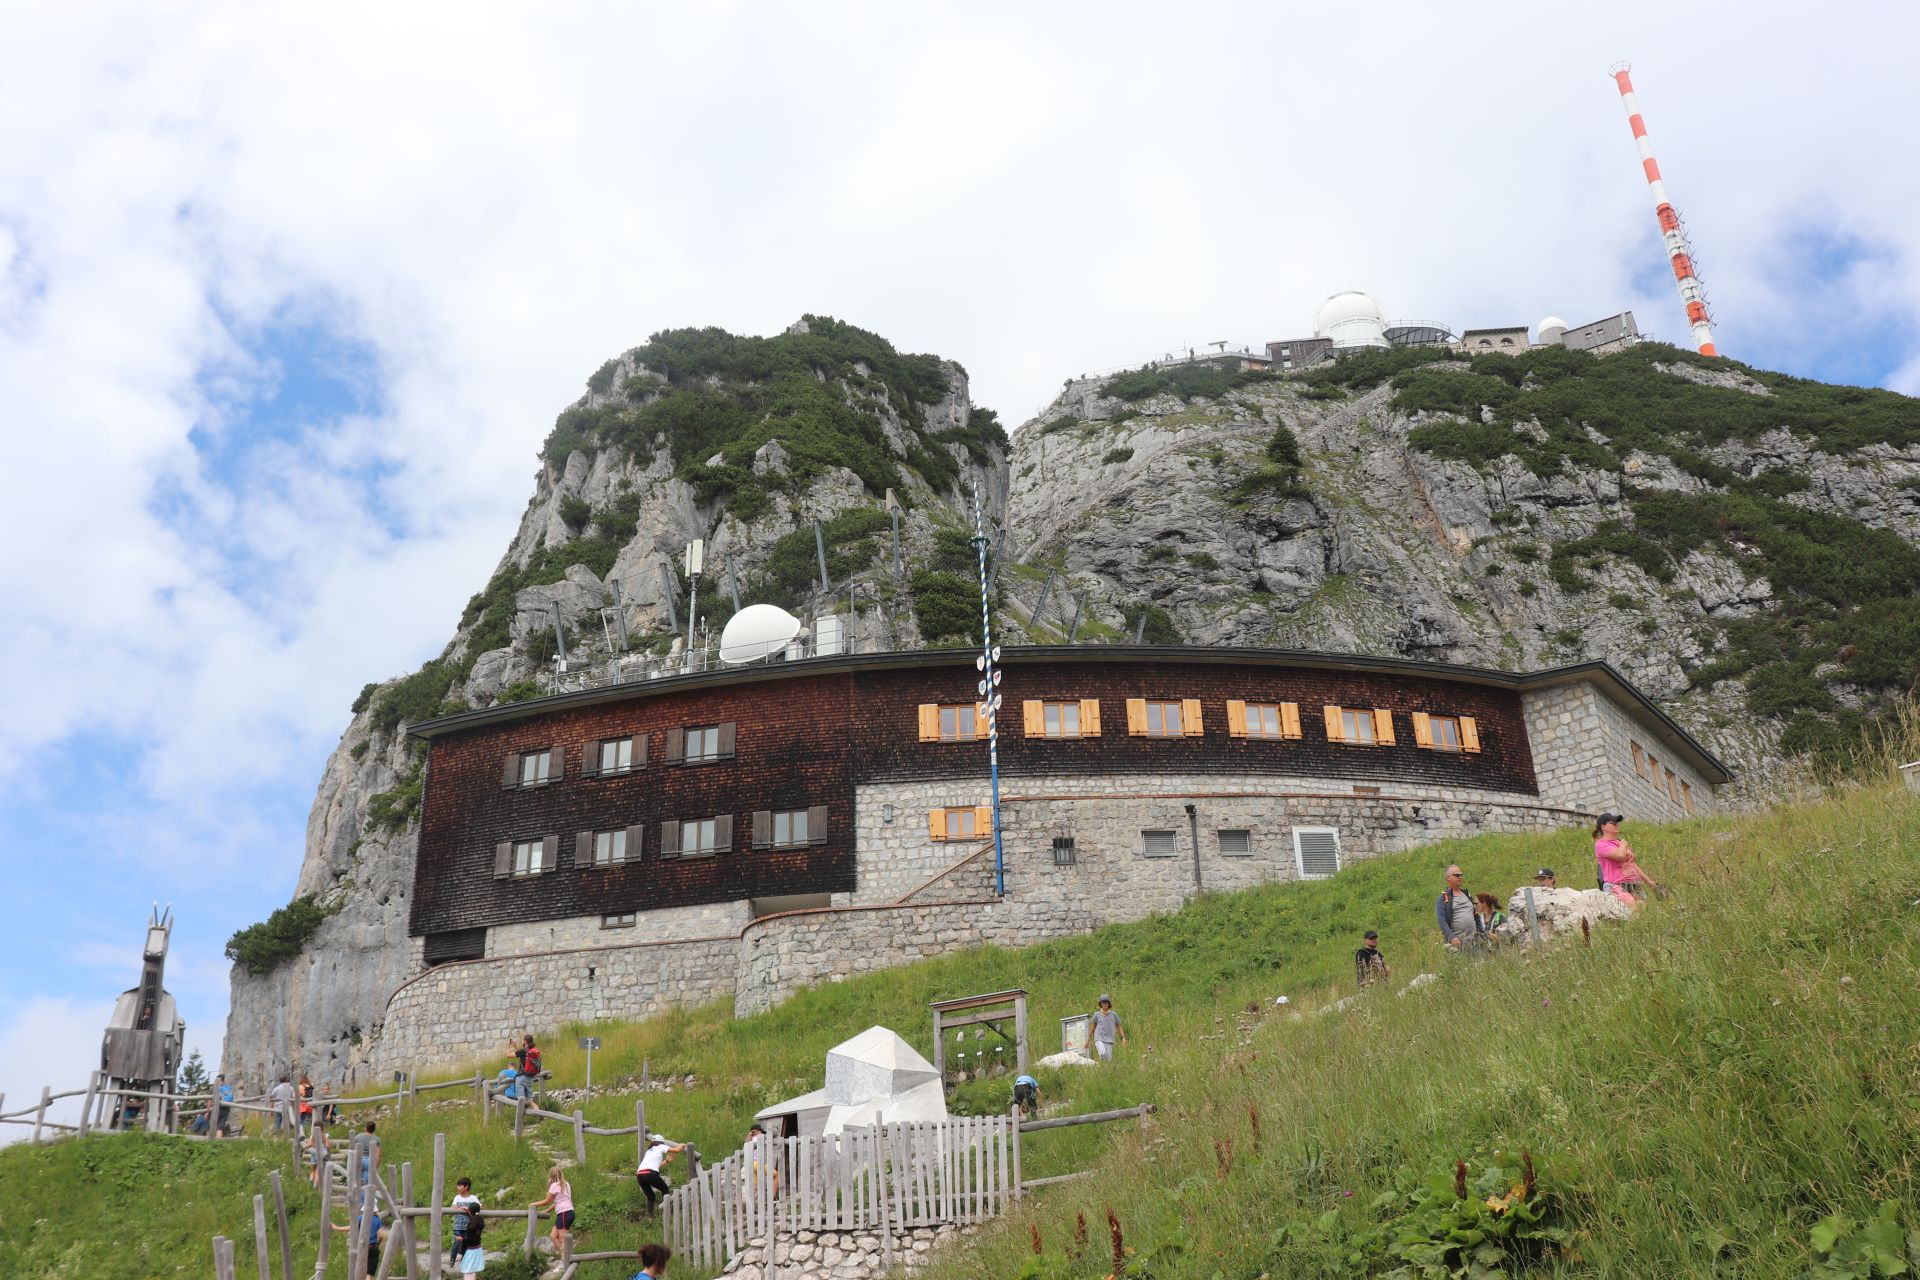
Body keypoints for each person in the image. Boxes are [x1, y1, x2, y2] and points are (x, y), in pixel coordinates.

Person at [1594, 814, 1658, 907]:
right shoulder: (1601, 844)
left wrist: (1648, 881)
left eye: (1617, 822)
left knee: (1644, 912)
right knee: (1634, 909)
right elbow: (1620, 855)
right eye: (1613, 822)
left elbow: (1632, 865)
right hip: (1616, 885)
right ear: (1603, 827)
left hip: (1634, 885)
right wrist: (1623, 844)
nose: (1617, 824)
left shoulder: (1619, 843)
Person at [1436, 865, 1484, 955]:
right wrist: (1451, 937)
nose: (1460, 877)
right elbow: (1442, 921)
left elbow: (1476, 914)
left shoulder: (1467, 895)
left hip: (1475, 941)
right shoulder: (1443, 898)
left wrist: (1481, 932)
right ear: (1448, 878)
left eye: (1461, 875)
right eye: (1457, 875)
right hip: (1458, 944)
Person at [636, 1134, 686, 1213]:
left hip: (640, 1175)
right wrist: (682, 1144)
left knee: (650, 1196)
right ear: (661, 1142)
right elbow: (676, 1150)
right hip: (650, 1174)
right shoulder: (660, 1146)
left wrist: (667, 1161)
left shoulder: (649, 1151)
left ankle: (649, 1218)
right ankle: (665, 1212)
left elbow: (656, 1166)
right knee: (665, 1189)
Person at [531, 1164, 574, 1253]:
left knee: (562, 1238)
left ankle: (567, 1260)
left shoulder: (554, 1185)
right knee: (553, 1236)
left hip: (563, 1213)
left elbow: (546, 1201)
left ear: (551, 1176)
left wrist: (533, 1204)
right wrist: (548, 1210)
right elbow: (558, 1202)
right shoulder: (566, 1184)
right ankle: (564, 1258)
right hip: (569, 1211)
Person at [449, 1177, 483, 1264]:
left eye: (460, 1185)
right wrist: (460, 1208)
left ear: (466, 1187)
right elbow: (453, 1206)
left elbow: (479, 1206)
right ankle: (452, 1259)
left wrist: (468, 1209)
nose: (458, 1187)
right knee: (456, 1242)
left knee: (465, 1243)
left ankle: (464, 1260)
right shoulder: (457, 1197)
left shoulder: (473, 1198)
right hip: (458, 1225)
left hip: (469, 1226)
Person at [1091, 994, 1127, 1063]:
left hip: (1109, 1040)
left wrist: (1123, 1037)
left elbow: (1118, 1026)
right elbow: (1092, 1027)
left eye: (1106, 1002)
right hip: (1099, 1038)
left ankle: (1103, 1070)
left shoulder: (1113, 1014)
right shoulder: (1097, 1014)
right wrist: (1089, 1039)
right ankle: (1102, 1065)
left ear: (1109, 1004)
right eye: (1103, 1002)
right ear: (1100, 1004)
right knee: (1102, 1053)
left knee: (1109, 1060)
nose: (1104, 1004)